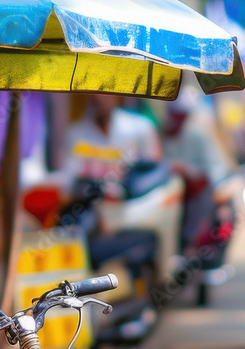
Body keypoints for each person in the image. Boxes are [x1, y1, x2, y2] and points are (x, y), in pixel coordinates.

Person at [160, 82, 235, 251]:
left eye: (182, 115)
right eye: (176, 114)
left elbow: (215, 169)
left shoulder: (197, 134)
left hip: (199, 194)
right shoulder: (163, 134)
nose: (178, 119)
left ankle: (191, 247)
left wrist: (186, 171)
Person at [60, 93, 162, 198]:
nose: (99, 97)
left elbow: (155, 172)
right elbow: (69, 181)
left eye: (104, 91)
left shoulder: (141, 128)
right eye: (94, 91)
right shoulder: (76, 134)